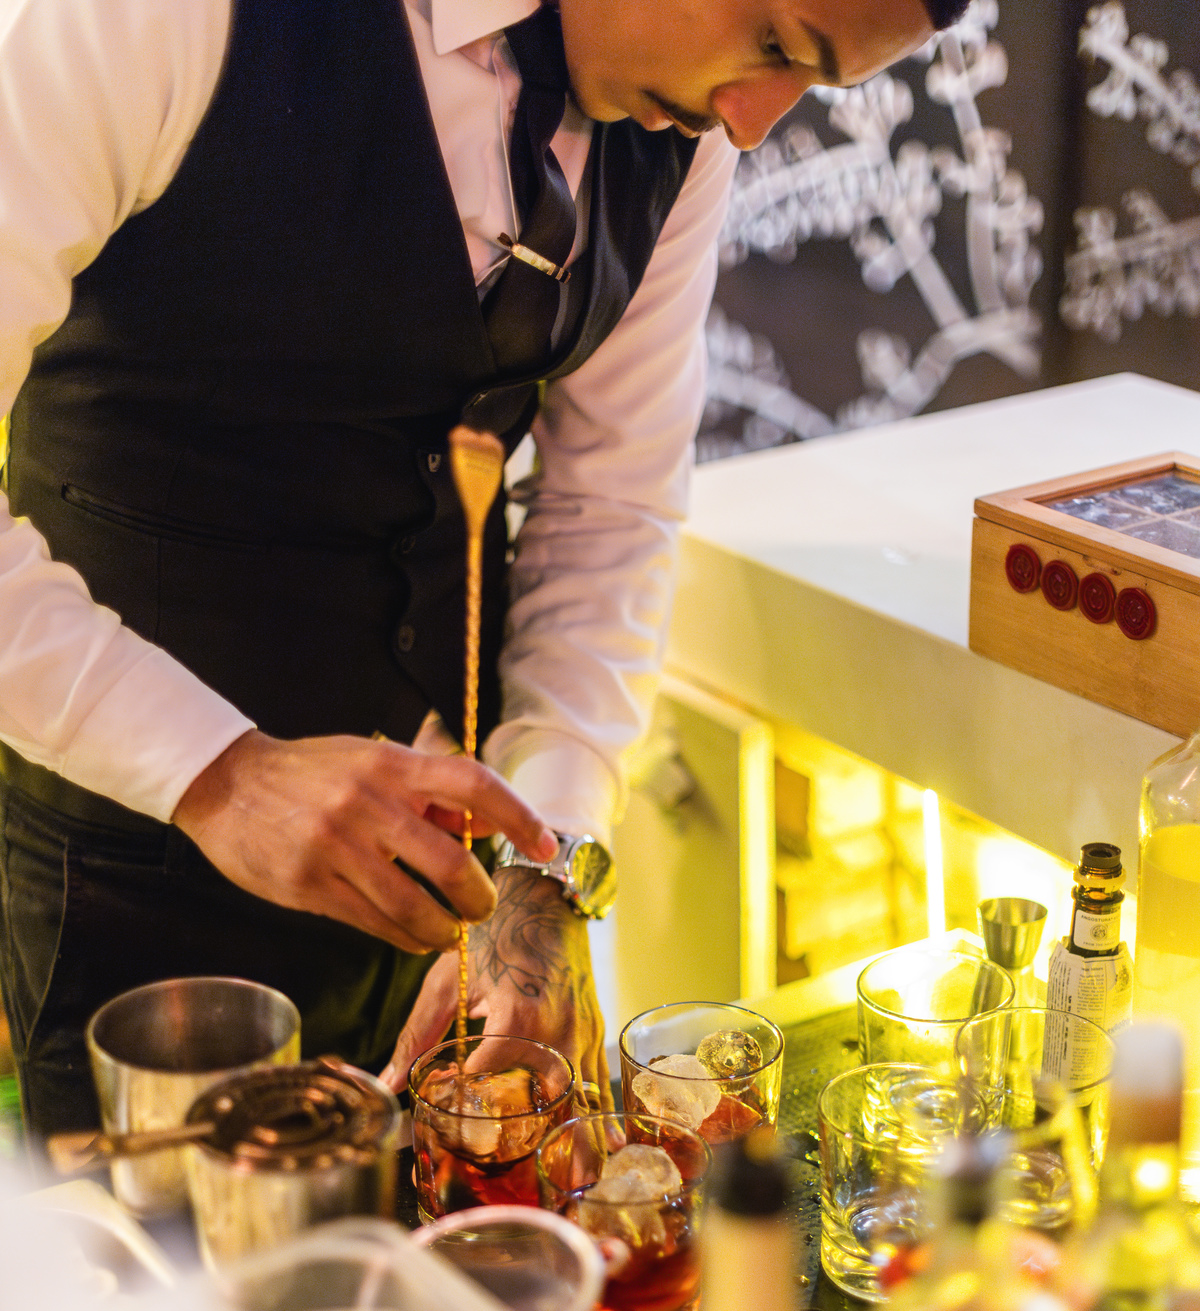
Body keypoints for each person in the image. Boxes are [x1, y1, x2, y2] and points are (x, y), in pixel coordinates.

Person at [0, 0, 963, 1139]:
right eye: (774, 41)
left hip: (446, 905)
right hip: (137, 886)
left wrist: (538, 867)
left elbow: (610, 504)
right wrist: (216, 771)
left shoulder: (680, 141)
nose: (753, 124)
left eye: (813, 81)